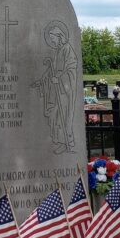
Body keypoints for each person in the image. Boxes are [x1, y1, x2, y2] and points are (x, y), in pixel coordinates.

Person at [32, 20, 78, 153]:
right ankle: (59, 140)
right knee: (54, 114)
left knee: (63, 114)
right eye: (50, 39)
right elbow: (52, 70)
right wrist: (41, 81)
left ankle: (66, 143)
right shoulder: (58, 51)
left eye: (53, 39)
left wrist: (60, 78)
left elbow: (71, 68)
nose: (52, 42)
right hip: (55, 87)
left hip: (64, 89)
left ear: (59, 37)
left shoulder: (67, 49)